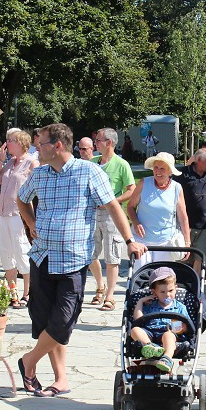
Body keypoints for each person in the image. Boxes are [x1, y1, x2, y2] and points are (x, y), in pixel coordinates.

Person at [16, 123, 146, 397]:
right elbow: (21, 198)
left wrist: (129, 240)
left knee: (63, 320)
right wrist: (30, 223)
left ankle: (29, 361)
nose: (36, 149)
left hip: (73, 260)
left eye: (41, 144)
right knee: (46, 321)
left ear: (58, 145)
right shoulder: (40, 174)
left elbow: (113, 206)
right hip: (42, 256)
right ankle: (60, 378)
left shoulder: (89, 172)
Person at [88, 128, 135, 311]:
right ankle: (100, 285)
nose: (95, 143)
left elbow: (131, 189)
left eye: (98, 140)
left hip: (111, 215)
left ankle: (110, 296)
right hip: (91, 213)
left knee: (112, 255)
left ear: (109, 142)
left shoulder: (121, 164)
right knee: (90, 254)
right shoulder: (92, 163)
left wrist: (113, 202)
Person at [0, 129, 37, 307]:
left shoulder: (31, 163)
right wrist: (1, 161)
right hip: (4, 214)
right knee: (6, 253)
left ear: (21, 144)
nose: (6, 143)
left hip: (20, 214)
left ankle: (28, 292)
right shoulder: (9, 163)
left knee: (22, 250)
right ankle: (12, 292)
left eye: (10, 141)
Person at [127, 151, 189, 266]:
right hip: (142, 240)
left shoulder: (176, 188)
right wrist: (135, 222)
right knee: (141, 277)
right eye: (156, 167)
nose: (158, 171)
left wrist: (187, 243)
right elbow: (130, 207)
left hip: (166, 242)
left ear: (170, 171)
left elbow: (183, 217)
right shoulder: (143, 183)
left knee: (162, 279)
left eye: (162, 169)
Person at [128, 266, 189, 374]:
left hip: (168, 332)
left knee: (169, 336)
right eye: (162, 292)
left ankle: (167, 359)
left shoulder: (180, 307)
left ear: (176, 288)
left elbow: (186, 326)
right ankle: (150, 346)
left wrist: (177, 327)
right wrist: (140, 302)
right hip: (150, 332)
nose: (167, 294)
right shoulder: (150, 305)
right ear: (154, 292)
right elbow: (137, 319)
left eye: (171, 290)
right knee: (135, 330)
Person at [175, 147, 206, 273]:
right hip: (184, 223)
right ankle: (181, 280)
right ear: (198, 160)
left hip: (204, 222)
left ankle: (197, 281)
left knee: (201, 255)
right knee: (182, 255)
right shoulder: (181, 174)